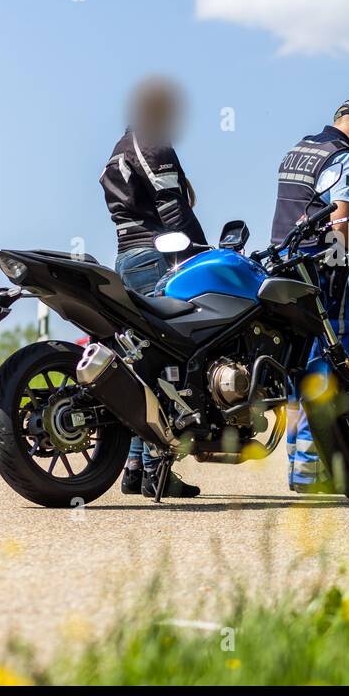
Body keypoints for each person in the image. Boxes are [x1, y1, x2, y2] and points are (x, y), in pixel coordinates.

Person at [271, 97, 349, 492]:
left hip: (282, 271)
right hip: (321, 276)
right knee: (326, 364)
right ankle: (311, 470)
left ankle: (298, 466)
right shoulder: (345, 158)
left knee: (295, 370)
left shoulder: (299, 150)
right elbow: (342, 221)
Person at [99, 75, 207, 498]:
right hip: (154, 256)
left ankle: (132, 468)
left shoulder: (120, 146)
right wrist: (202, 253)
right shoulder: (152, 143)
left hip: (125, 256)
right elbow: (172, 209)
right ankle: (154, 472)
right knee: (165, 364)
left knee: (138, 364)